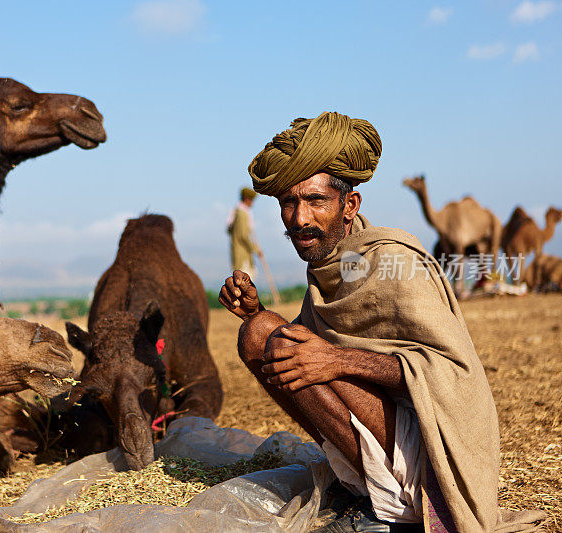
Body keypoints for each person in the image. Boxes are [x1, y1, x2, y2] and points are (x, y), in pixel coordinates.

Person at [219, 112, 543, 532]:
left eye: (316, 201)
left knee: (292, 347)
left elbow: (450, 374)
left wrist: (338, 361)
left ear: (349, 204)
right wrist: (254, 313)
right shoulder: (334, 268)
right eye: (288, 203)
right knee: (259, 335)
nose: (300, 219)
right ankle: (367, 486)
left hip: (434, 456)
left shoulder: (393, 262)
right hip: (385, 438)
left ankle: (396, 509)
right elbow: (309, 344)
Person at [227, 187, 263, 281]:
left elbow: (229, 229)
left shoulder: (236, 212)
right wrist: (256, 249)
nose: (252, 203)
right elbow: (243, 236)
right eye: (252, 200)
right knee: (246, 280)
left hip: (238, 253)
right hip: (243, 256)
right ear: (247, 199)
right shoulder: (242, 214)